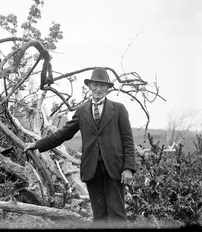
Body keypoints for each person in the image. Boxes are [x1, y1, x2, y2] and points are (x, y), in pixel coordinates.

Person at [24, 67, 136, 228]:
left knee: (118, 213)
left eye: (102, 85)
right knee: (99, 215)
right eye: (95, 85)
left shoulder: (118, 109)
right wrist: (38, 144)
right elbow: (63, 134)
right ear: (89, 87)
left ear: (107, 88)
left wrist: (128, 168)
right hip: (92, 169)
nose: (98, 89)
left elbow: (128, 140)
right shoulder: (82, 110)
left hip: (115, 169)